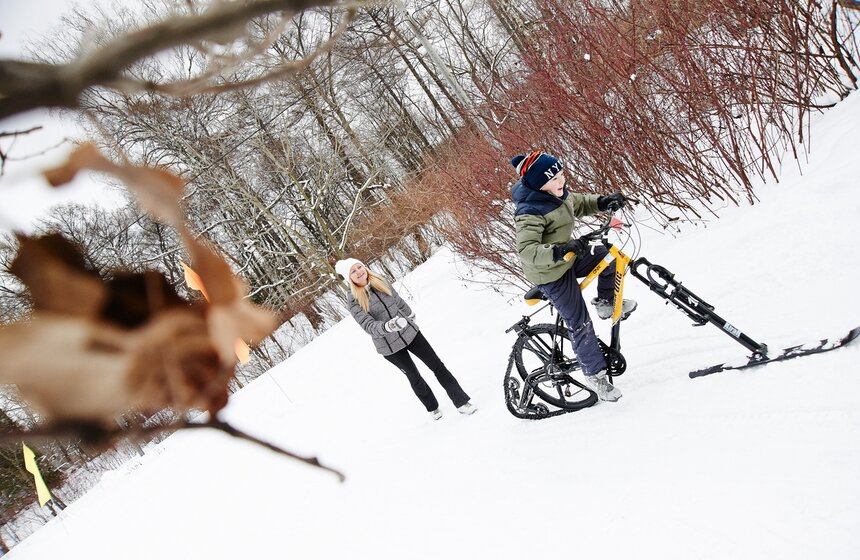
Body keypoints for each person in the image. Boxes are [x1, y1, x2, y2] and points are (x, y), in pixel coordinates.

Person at [510, 150, 637, 402]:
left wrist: (602, 202)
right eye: (554, 178)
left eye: (561, 175)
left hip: (568, 257)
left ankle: (606, 302)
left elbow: (578, 203)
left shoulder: (557, 195)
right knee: (579, 321)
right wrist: (558, 250)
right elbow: (526, 250)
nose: (561, 181)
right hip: (550, 272)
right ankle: (595, 375)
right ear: (538, 184)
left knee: (608, 256)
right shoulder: (530, 211)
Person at [335, 258, 477, 420]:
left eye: (359, 267)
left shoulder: (381, 281)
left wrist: (409, 315)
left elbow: (398, 301)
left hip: (409, 331)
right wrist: (387, 327)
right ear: (349, 278)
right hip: (389, 346)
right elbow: (368, 325)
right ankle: (432, 407)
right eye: (353, 271)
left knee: (437, 365)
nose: (359, 272)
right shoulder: (353, 301)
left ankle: (461, 402)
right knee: (414, 376)